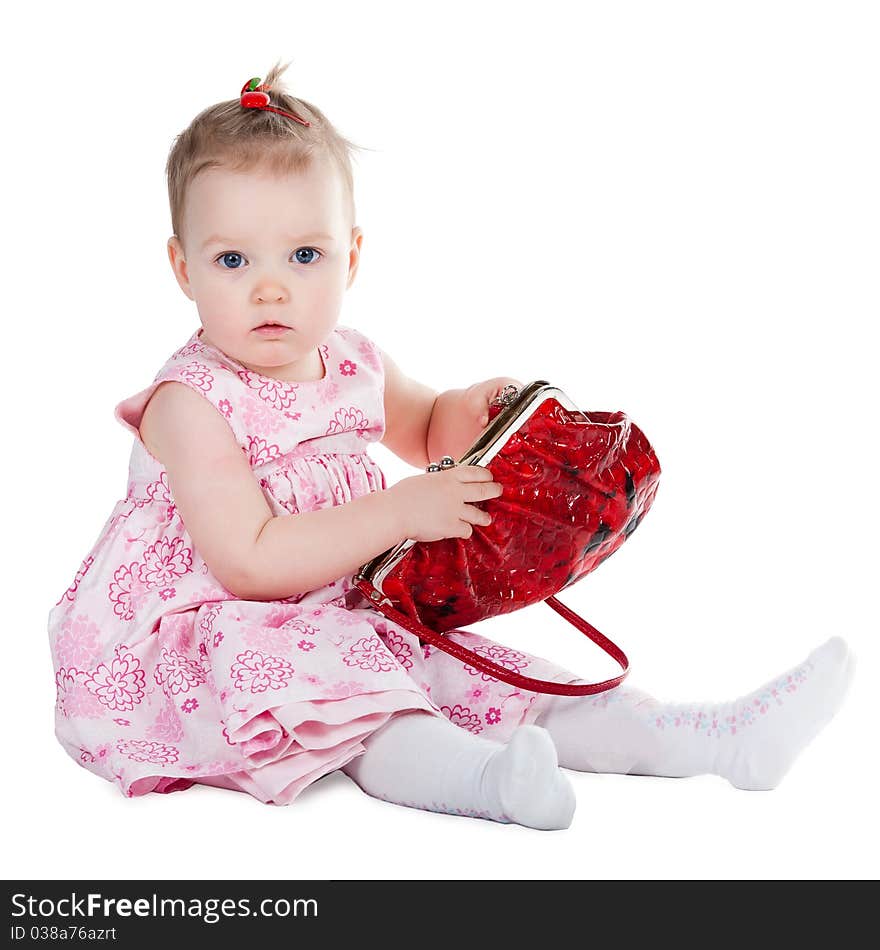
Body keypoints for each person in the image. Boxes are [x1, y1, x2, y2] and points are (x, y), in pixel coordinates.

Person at [47, 60, 855, 831]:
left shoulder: (354, 361)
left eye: (304, 255)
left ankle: (708, 737)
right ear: (182, 269)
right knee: (358, 700)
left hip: (340, 599)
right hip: (217, 627)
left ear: (351, 255)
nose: (272, 287)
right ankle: (484, 784)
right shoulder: (191, 402)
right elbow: (249, 562)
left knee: (481, 672)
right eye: (233, 259)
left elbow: (423, 423)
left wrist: (469, 414)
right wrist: (400, 510)